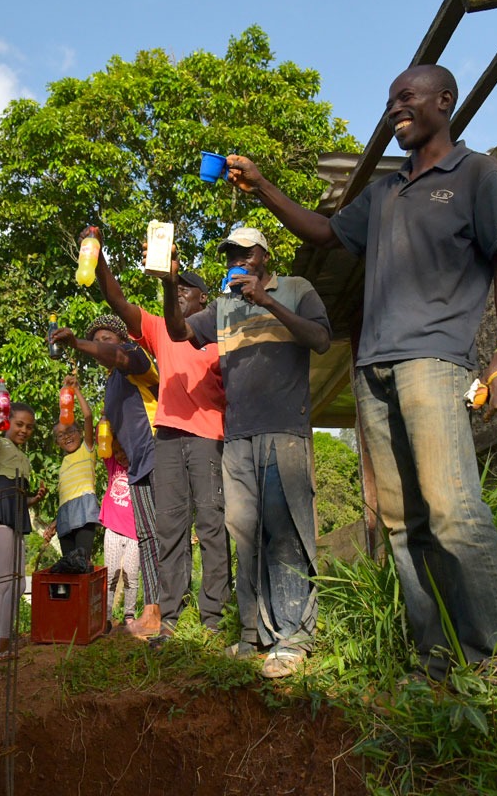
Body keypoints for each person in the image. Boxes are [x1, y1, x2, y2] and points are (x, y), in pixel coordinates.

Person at [226, 63, 497, 680]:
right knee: (399, 523)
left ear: (445, 101)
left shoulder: (476, 175)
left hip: (434, 363)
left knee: (452, 510)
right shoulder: (386, 192)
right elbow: (325, 230)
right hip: (373, 370)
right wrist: (260, 185)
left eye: (408, 98)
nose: (396, 109)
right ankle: (436, 661)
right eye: (391, 101)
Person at [156, 227, 331, 678]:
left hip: (284, 431)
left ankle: (291, 637)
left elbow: (321, 339)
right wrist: (168, 281)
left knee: (284, 530)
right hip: (238, 438)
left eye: (242, 252)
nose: (236, 259)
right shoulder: (222, 308)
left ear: (262, 255)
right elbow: (177, 332)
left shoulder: (295, 289)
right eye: (230, 254)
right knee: (245, 535)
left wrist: (268, 301)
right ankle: (253, 634)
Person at [87, 227, 230, 638]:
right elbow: (116, 299)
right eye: (176, 287)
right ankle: (169, 618)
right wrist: (98, 257)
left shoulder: (220, 335)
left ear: (204, 298)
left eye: (188, 288)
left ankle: (213, 619)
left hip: (208, 437)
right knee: (170, 528)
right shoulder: (159, 328)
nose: (181, 292)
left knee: (210, 525)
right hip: (165, 437)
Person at [51, 315, 162, 638]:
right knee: (149, 537)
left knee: (157, 537)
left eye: (106, 339)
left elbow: (117, 356)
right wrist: (116, 444)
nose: (101, 345)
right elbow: (108, 435)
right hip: (138, 466)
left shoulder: (135, 358)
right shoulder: (112, 382)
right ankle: (151, 611)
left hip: (159, 455)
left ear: (121, 339)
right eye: (95, 339)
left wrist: (76, 344)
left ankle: (162, 610)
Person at [0, 396, 47, 660]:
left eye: (29, 427)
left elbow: (17, 497)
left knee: (16, 583)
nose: (24, 430)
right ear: (8, 422)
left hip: (15, 516)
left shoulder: (23, 457)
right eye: (19, 424)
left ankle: (2, 645)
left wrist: (34, 499)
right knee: (2, 581)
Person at [46, 373, 99, 570]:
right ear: (57, 442)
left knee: (81, 560)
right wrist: (54, 522)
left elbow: (88, 416)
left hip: (84, 508)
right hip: (65, 514)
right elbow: (65, 497)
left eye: (70, 431)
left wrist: (75, 390)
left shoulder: (87, 449)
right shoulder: (63, 464)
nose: (66, 436)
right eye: (61, 435)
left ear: (80, 433)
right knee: (69, 565)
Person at [100, 438, 140, 628]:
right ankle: (105, 616)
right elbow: (103, 437)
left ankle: (129, 615)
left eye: (124, 451)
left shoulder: (140, 469)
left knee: (131, 576)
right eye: (117, 452)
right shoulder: (113, 465)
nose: (121, 456)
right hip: (113, 529)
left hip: (134, 532)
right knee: (110, 575)